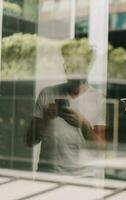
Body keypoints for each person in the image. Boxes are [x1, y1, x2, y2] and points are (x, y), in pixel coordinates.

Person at [26, 38, 106, 176]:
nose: (72, 70)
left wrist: (83, 124)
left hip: (82, 176)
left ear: (87, 66)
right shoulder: (47, 93)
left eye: (77, 65)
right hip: (47, 175)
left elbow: (101, 150)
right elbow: (30, 140)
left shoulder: (98, 99)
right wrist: (45, 119)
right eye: (69, 64)